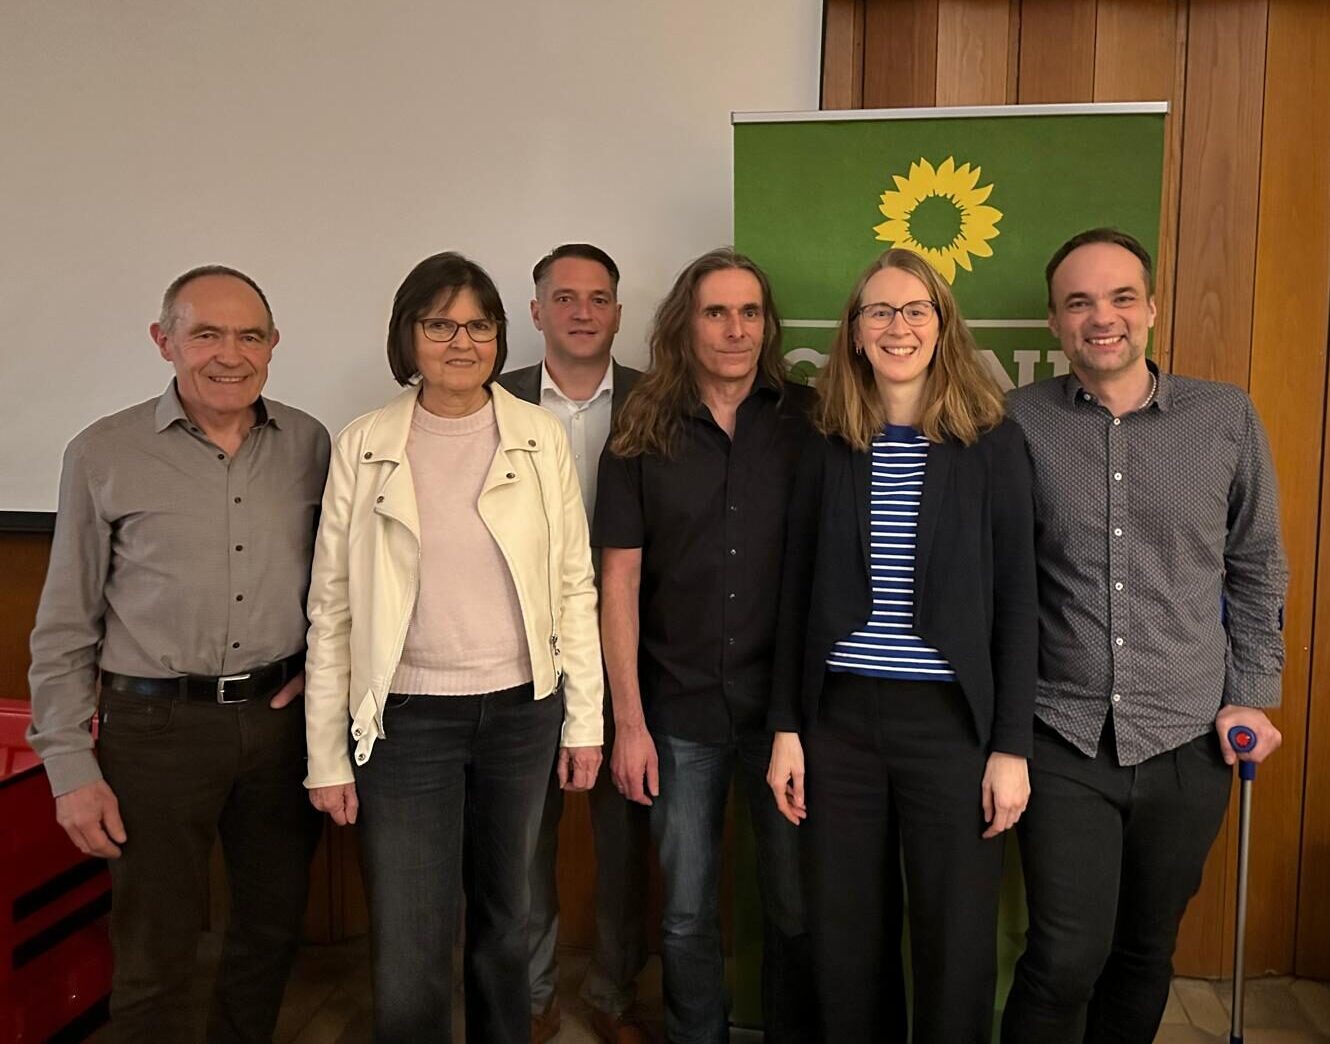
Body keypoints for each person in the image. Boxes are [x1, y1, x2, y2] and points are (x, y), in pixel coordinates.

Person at [302, 251, 603, 1044]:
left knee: (509, 922)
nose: (462, 342)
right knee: (412, 934)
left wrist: (584, 723)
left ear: (500, 336)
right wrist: (326, 755)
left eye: (479, 325)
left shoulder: (538, 437)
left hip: (522, 714)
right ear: (408, 336)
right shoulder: (364, 443)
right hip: (404, 722)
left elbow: (574, 585)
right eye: (440, 325)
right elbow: (332, 607)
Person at [27, 266, 329, 1042]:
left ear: (274, 344)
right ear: (164, 341)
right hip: (154, 733)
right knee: (153, 950)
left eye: (249, 335)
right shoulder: (103, 452)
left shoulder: (310, 443)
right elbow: (64, 625)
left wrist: (321, 672)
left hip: (280, 726)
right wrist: (69, 767)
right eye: (206, 335)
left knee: (270, 931)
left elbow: (342, 584)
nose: (230, 355)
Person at [1001, 228, 1287, 1043]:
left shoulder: (1225, 417)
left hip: (1189, 740)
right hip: (1062, 734)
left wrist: (1252, 696)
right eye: (1079, 302)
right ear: (1054, 322)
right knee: (1064, 958)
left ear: (1153, 308)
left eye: (1122, 297)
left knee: (1144, 954)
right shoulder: (1017, 422)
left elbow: (1258, 565)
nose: (1103, 318)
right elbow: (996, 579)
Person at [765, 247, 1037, 1043]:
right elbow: (794, 592)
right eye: (879, 311)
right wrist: (787, 726)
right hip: (839, 725)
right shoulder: (825, 440)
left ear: (943, 326)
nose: (898, 326)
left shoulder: (992, 444)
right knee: (846, 940)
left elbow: (1019, 602)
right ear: (854, 332)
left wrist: (1011, 746)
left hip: (951, 728)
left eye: (916, 310)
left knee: (956, 941)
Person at [595, 248, 816, 1044]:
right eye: (716, 312)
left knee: (795, 906)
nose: (735, 329)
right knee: (686, 912)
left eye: (750, 312)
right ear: (683, 324)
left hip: (786, 715)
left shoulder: (810, 421)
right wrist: (629, 723)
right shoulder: (639, 429)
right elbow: (617, 583)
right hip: (676, 710)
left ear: (768, 324)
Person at [496, 243, 650, 1044]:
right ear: (535, 311)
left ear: (618, 312)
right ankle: (530, 994)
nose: (582, 312)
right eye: (564, 298)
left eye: (597, 298)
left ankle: (614, 992)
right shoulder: (489, 401)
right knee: (522, 837)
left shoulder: (662, 400)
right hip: (518, 648)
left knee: (626, 838)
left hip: (635, 649)